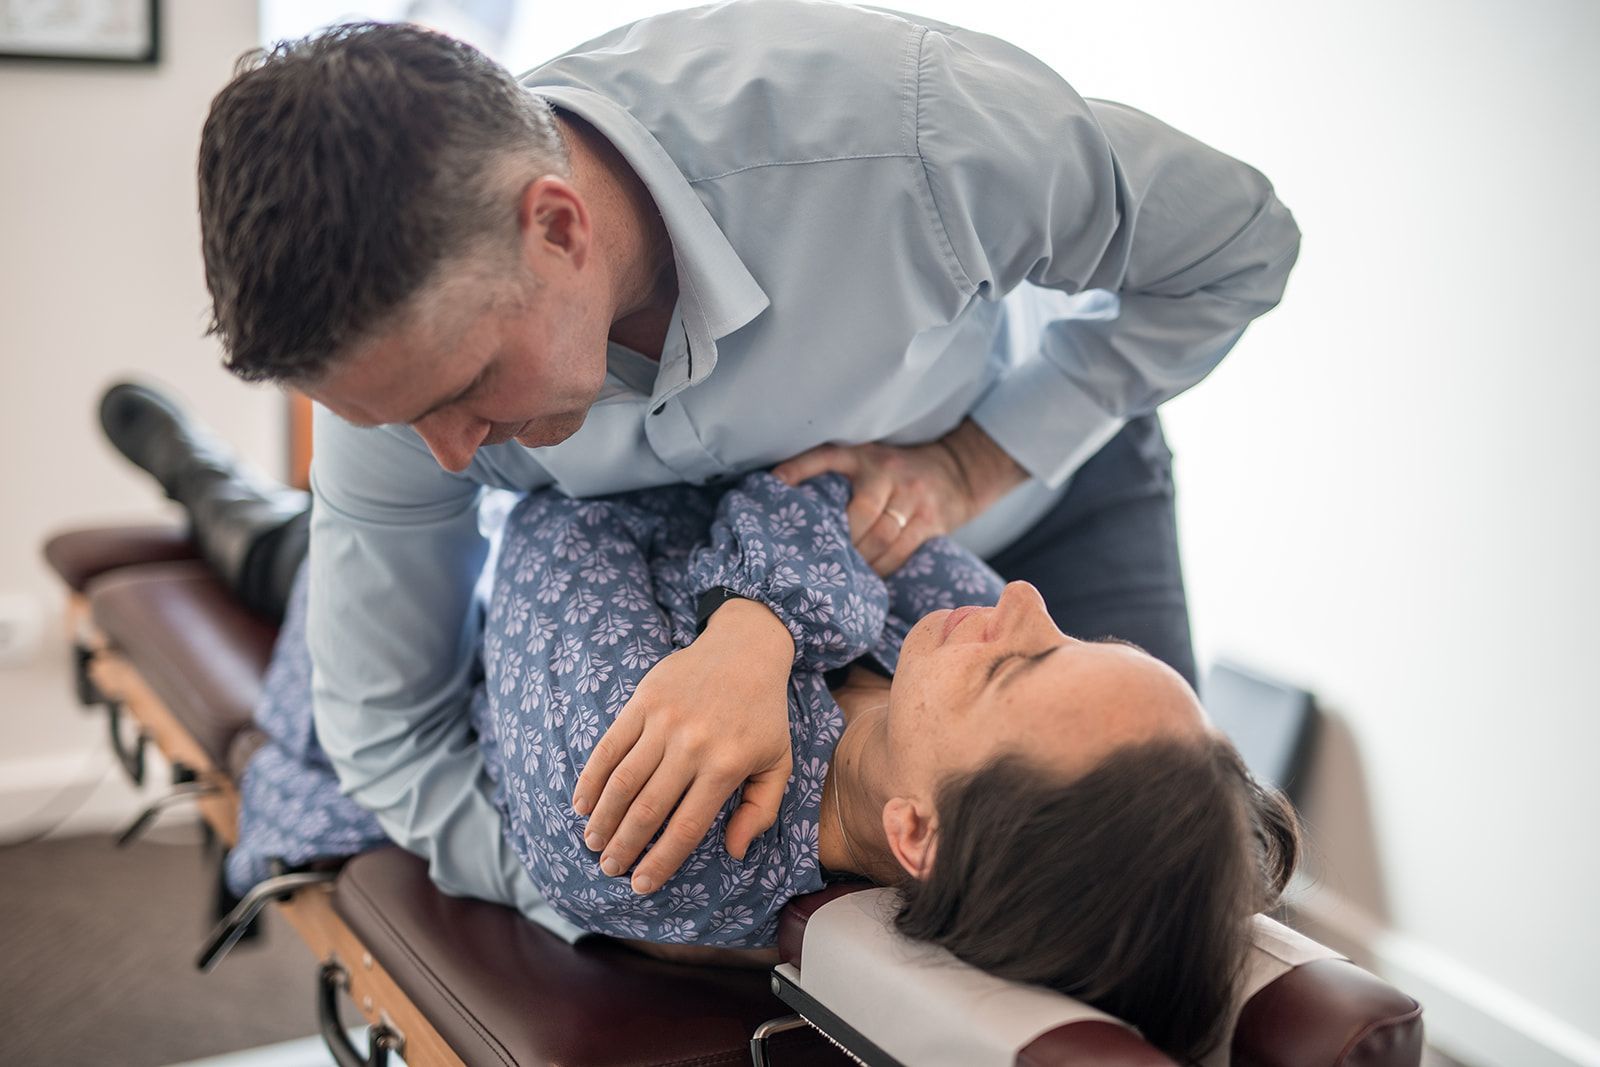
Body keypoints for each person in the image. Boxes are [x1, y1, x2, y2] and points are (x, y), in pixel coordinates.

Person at [196, 5, 1301, 942]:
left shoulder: (915, 139)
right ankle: (240, 516)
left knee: (1180, 906)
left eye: (467, 387)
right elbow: (390, 737)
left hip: (1019, 486)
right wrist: (626, 892)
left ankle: (244, 520)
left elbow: (1238, 242)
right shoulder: (402, 370)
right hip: (677, 588)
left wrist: (974, 460)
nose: (454, 457)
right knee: (343, 593)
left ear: (559, 227)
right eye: (400, 422)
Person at [103, 382, 1300, 1064]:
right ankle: (220, 487)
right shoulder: (962, 662)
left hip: (437, 620)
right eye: (1064, 633)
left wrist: (767, 601)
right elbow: (829, 482)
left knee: (282, 552)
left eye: (1018, 664)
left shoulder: (646, 813)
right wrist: (751, 632)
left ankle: (206, 485)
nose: (1018, 597)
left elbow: (557, 521)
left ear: (917, 835)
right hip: (578, 554)